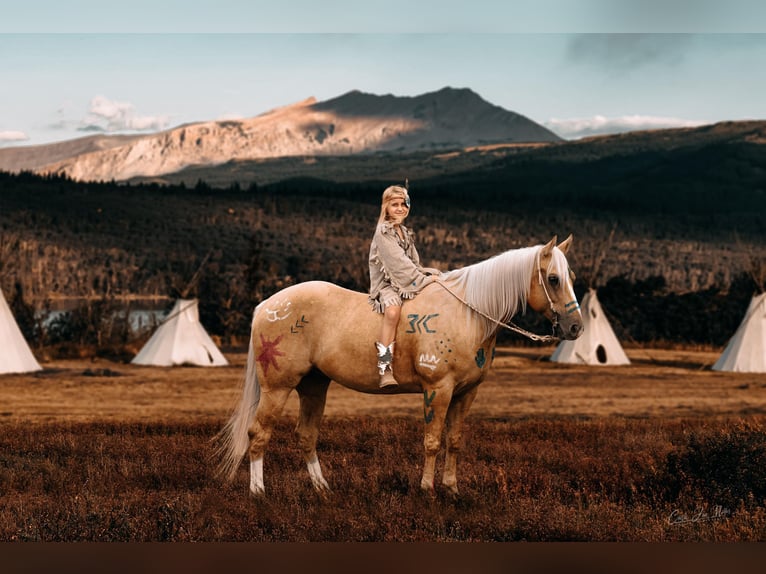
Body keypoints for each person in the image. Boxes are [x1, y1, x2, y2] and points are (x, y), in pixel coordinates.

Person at [368, 184, 440, 388]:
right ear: (386, 208)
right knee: (392, 312)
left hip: (407, 278)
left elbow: (413, 262)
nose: (400, 209)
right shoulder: (384, 232)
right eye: (394, 205)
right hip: (387, 283)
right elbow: (398, 266)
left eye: (403, 204)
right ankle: (384, 367)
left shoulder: (404, 232)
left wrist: (427, 272)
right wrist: (423, 280)